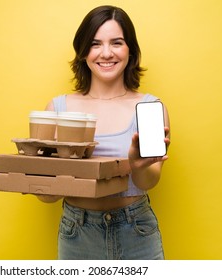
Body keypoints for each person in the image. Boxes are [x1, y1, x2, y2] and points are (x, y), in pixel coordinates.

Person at [37, 5, 171, 260]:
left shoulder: (151, 108)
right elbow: (49, 197)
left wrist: (137, 165)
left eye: (117, 42)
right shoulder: (57, 109)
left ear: (130, 50)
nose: (106, 53)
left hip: (137, 231)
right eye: (96, 43)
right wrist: (38, 181)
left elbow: (148, 182)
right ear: (83, 50)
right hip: (77, 232)